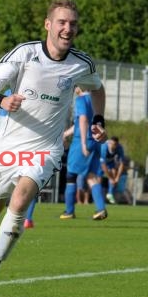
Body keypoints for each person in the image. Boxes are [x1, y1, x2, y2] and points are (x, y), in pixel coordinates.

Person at [0, 0, 107, 297]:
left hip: (45, 149)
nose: (68, 28)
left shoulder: (82, 64)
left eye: (73, 23)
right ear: (48, 24)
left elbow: (97, 88)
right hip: (8, 148)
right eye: (62, 22)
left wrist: (98, 119)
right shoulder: (24, 54)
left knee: (20, 200)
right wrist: (2, 101)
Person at [60, 88, 108, 220]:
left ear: (80, 87)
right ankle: (100, 209)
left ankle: (69, 211)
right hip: (95, 141)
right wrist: (65, 134)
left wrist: (82, 144)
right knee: (91, 176)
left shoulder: (81, 100)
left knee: (71, 174)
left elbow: (83, 120)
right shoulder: (95, 99)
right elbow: (78, 124)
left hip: (81, 142)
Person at [99, 136, 126, 204]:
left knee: (114, 173)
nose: (111, 146)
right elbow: (103, 165)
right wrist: (110, 178)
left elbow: (122, 164)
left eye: (113, 144)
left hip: (110, 162)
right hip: (99, 162)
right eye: (110, 143)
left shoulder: (120, 148)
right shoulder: (104, 148)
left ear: (116, 145)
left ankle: (110, 193)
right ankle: (98, 197)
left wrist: (117, 177)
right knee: (99, 179)